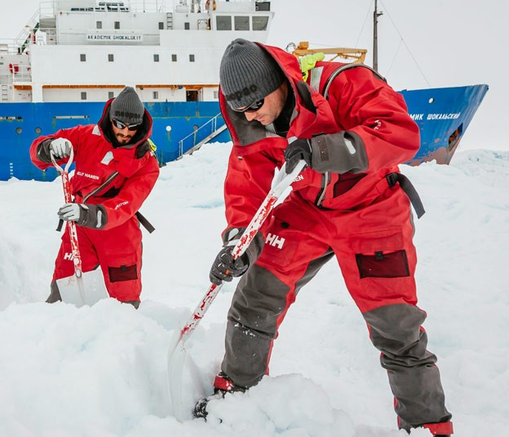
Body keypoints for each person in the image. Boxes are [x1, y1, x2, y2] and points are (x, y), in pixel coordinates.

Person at [194, 38, 453, 436]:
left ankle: (428, 426)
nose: (252, 116)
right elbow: (248, 192)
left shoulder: (341, 82)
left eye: (256, 104)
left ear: (278, 83)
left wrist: (326, 150)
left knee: (396, 326)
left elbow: (402, 133)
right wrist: (239, 244)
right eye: (241, 109)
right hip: (305, 212)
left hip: (372, 208)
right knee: (256, 295)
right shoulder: (250, 126)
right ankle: (236, 397)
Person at [29, 86, 159, 308]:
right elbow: (37, 155)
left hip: (118, 231)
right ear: (111, 119)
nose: (125, 132)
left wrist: (90, 214)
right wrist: (49, 146)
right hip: (79, 226)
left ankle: (126, 335)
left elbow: (128, 203)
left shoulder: (147, 163)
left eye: (132, 128)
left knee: (125, 298)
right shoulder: (86, 136)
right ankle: (56, 330)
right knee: (64, 287)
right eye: (120, 125)